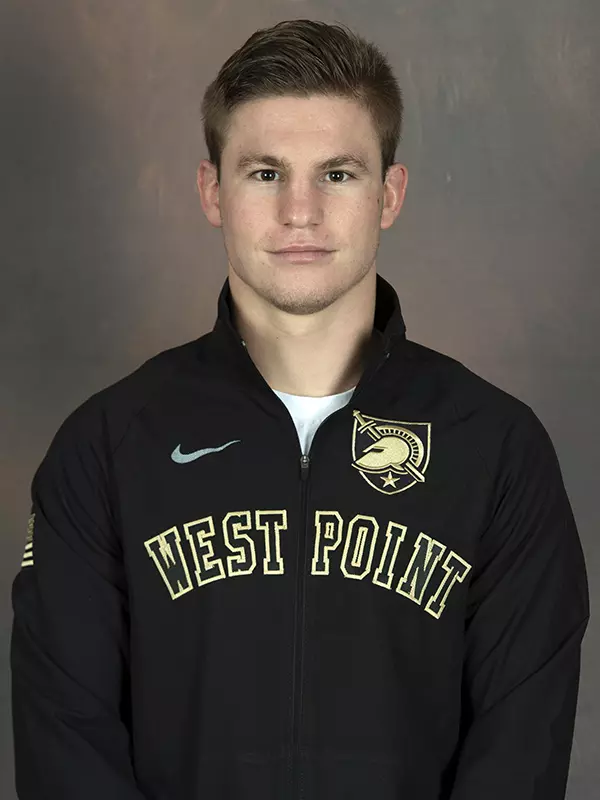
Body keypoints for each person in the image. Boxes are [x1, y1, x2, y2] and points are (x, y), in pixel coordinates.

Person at [10, 18, 589, 800]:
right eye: (264, 173)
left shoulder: (497, 450)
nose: (301, 212)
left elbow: (519, 755)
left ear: (390, 193)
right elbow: (67, 747)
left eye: (339, 174)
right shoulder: (106, 448)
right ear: (213, 191)